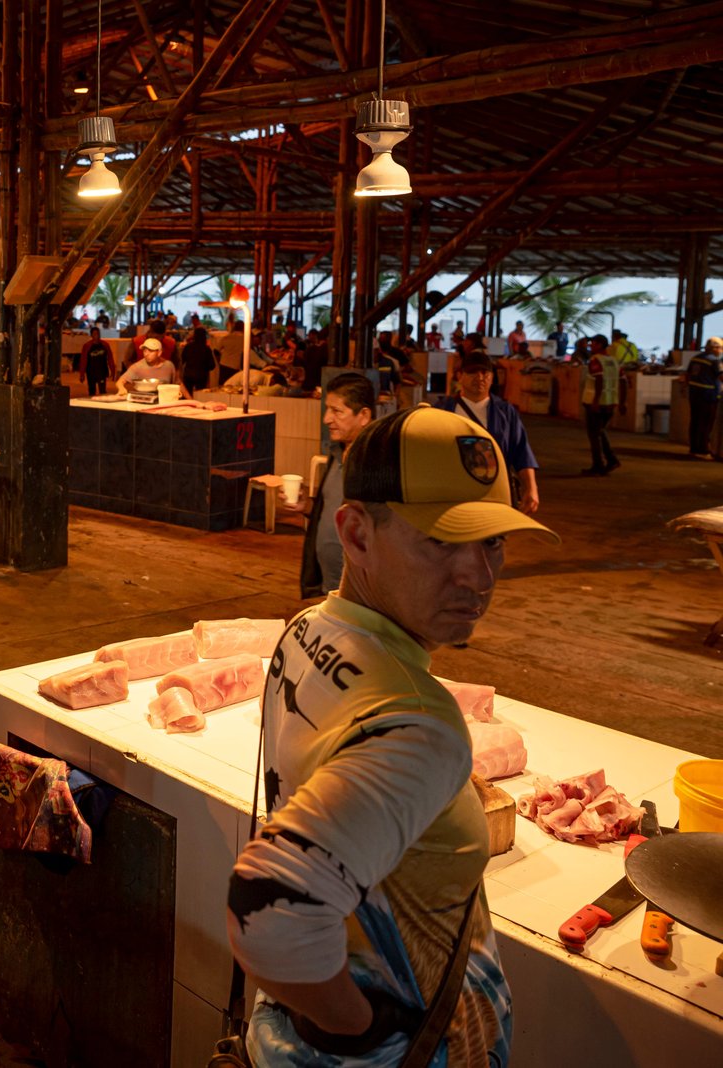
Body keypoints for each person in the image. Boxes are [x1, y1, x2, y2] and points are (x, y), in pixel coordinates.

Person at [229, 405, 558, 1068]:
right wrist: (359, 1027)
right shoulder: (418, 723)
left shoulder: (309, 629)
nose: (479, 576)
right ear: (354, 534)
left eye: (492, 542)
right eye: (439, 543)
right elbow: (268, 906)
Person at [432, 352, 541, 513]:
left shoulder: (505, 412)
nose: (480, 377)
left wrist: (531, 488)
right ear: (460, 376)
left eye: (485, 373)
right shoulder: (442, 410)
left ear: (492, 377)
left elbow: (521, 452)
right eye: (472, 372)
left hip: (495, 493)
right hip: (451, 493)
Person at [298, 374, 376, 599]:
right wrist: (308, 507)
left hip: (361, 594)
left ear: (364, 416)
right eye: (327, 409)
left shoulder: (376, 466)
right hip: (329, 588)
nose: (326, 419)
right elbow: (334, 512)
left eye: (336, 411)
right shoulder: (336, 454)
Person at [581, 334, 624, 476]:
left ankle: (598, 465)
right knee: (600, 432)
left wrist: (595, 401)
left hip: (596, 404)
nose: (590, 345)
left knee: (594, 435)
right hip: (610, 403)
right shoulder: (614, 361)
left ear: (599, 345)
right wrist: (623, 402)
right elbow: (624, 381)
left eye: (592, 343)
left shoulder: (596, 360)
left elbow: (599, 379)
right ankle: (611, 460)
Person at [682, 337, 722, 460]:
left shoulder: (696, 358)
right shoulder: (714, 361)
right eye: (720, 348)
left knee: (695, 422)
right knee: (705, 424)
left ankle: (693, 449)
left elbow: (687, 375)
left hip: (694, 394)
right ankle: (703, 450)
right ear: (714, 348)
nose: (720, 351)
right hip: (708, 395)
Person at [79, 327, 114, 397]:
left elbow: (110, 358)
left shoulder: (105, 345)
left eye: (98, 333)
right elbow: (83, 360)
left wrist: (113, 371)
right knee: (92, 391)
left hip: (102, 371)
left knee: (102, 391)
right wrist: (82, 374)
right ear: (91, 335)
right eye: (94, 334)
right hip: (91, 372)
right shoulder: (87, 346)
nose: (96, 335)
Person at [180, 326, 216, 393]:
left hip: (188, 375)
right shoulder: (206, 349)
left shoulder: (188, 347)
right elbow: (212, 365)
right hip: (201, 376)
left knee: (187, 395)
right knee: (200, 396)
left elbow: (182, 360)